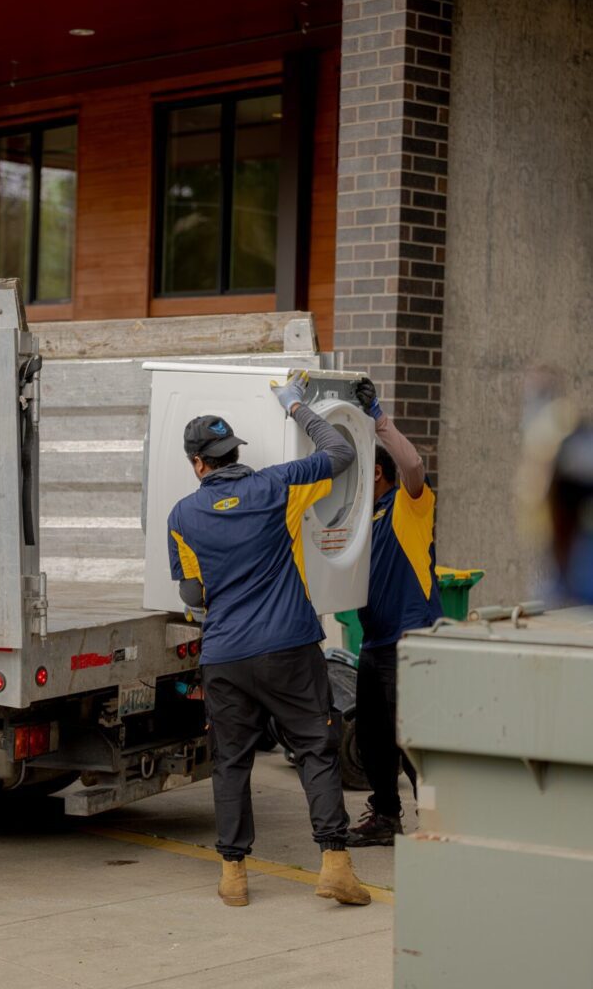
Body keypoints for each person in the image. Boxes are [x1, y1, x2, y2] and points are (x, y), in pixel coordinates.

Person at [167, 371, 370, 908]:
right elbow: (341, 452)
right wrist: (296, 407)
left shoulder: (182, 516)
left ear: (198, 464)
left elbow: (192, 593)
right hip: (289, 648)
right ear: (235, 452)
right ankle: (335, 865)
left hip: (226, 656)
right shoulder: (278, 485)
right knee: (315, 749)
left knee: (232, 762)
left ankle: (233, 875)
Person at [347, 377, 443, 847]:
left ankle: (440, 820)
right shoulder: (362, 522)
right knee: (373, 739)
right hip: (375, 643)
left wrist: (378, 420)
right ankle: (386, 817)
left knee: (416, 741)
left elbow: (413, 464)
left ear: (377, 474)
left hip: (411, 641)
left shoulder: (409, 506)